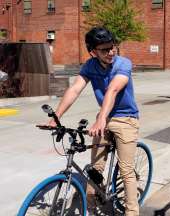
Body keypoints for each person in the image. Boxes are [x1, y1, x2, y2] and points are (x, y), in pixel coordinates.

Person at [46, 27, 140, 216]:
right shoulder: (90, 66)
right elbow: (74, 90)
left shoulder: (123, 64)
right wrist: (57, 117)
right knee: (95, 170)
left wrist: (101, 119)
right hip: (103, 118)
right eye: (105, 50)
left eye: (112, 47)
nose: (111, 52)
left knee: (126, 171)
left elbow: (113, 90)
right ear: (93, 52)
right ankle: (93, 205)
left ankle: (132, 212)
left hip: (126, 119)